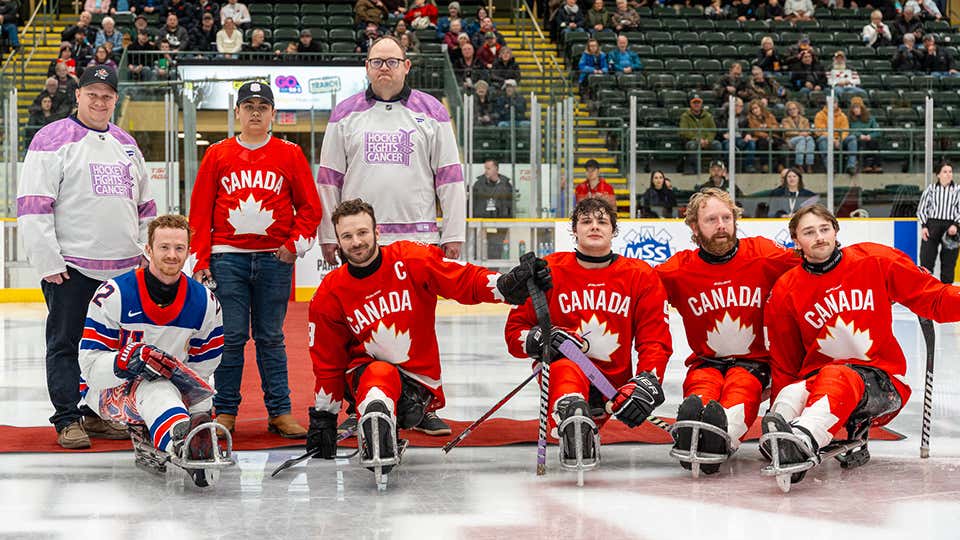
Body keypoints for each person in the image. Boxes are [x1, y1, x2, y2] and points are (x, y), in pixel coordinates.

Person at [305, 199, 550, 471]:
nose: (356, 242)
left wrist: (503, 285)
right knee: (377, 375)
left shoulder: (410, 258)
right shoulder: (329, 293)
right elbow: (327, 361)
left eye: (362, 233)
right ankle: (376, 417)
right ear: (338, 241)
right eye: (347, 236)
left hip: (417, 382)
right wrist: (324, 417)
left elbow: (461, 279)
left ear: (377, 232)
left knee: (394, 390)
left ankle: (380, 417)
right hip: (366, 376)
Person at [317, 36, 466, 436]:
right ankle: (363, 402)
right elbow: (329, 178)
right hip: (360, 241)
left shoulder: (432, 111)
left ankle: (423, 403)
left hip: (418, 237)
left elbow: (450, 176)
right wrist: (329, 235)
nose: (384, 68)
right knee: (359, 327)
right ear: (366, 67)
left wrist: (453, 231)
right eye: (377, 61)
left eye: (392, 61)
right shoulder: (345, 114)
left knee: (418, 328)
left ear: (406, 65)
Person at [762, 204, 960, 486]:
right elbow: (785, 361)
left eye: (824, 229)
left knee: (837, 375)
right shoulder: (786, 288)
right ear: (796, 241)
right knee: (793, 392)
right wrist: (778, 407)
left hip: (882, 381)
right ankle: (778, 438)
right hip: (822, 381)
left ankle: (802, 439)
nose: (819, 237)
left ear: (836, 230)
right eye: (809, 232)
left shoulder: (874, 260)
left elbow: (934, 298)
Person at [17, 65, 155, 449]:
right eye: (92, 94)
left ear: (116, 100)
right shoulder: (51, 138)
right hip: (72, 268)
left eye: (106, 95)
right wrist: (48, 261)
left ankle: (96, 413)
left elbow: (145, 206)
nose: (99, 101)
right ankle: (67, 417)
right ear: (78, 95)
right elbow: (33, 204)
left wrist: (146, 252)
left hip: (123, 270)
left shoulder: (127, 144)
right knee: (66, 343)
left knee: (109, 348)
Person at [189, 81, 322, 438]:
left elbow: (310, 208)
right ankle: (225, 411)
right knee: (231, 337)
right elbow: (199, 211)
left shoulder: (290, 154)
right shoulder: (217, 154)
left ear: (273, 114)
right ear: (237, 112)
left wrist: (293, 246)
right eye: (248, 106)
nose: (255, 113)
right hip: (227, 259)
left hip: (274, 260)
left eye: (263, 107)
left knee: (271, 337)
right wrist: (200, 259)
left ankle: (280, 412)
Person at [505, 197, 673, 468]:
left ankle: (577, 420)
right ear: (575, 230)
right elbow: (515, 332)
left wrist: (646, 381)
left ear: (613, 230)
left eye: (602, 221)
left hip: (613, 388)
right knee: (566, 370)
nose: (594, 226)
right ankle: (568, 410)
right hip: (563, 377)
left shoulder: (640, 275)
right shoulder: (549, 271)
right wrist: (540, 339)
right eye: (586, 221)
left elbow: (654, 340)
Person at [656, 188, 797, 474]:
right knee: (700, 392)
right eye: (711, 220)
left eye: (726, 218)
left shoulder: (763, 254)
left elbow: (814, 266)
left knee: (741, 391)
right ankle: (694, 427)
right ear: (694, 226)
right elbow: (634, 286)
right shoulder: (678, 270)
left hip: (754, 364)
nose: (721, 225)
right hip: (706, 362)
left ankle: (720, 440)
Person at [78, 215, 223, 481]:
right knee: (155, 387)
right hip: (109, 389)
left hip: (173, 389)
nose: (172, 255)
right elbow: (89, 369)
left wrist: (198, 410)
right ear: (148, 249)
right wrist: (124, 362)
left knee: (181, 392)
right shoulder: (114, 294)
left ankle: (191, 438)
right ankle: (182, 443)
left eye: (179, 248)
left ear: (188, 251)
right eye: (164, 247)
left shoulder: (206, 303)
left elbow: (203, 370)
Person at [917, 161, 960, 284]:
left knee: (949, 262)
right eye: (945, 172)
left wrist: (956, 224)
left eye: (950, 172)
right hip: (932, 226)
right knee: (926, 259)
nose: (948, 174)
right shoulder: (931, 189)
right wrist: (924, 226)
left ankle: (946, 291)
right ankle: (926, 289)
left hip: (951, 228)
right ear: (938, 174)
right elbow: (922, 209)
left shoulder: (958, 190)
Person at [471, 158, 514, 258]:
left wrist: (507, 222)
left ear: (496, 169)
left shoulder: (506, 185)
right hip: (481, 224)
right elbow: (474, 204)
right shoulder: (478, 184)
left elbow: (509, 206)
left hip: (500, 224)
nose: (486, 171)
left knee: (496, 250)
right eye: (485, 168)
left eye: (488, 168)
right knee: (479, 251)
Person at [680, 96, 723, 175]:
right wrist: (697, 139)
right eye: (694, 103)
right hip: (693, 140)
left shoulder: (708, 116)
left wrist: (708, 140)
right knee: (692, 146)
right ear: (690, 104)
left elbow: (713, 130)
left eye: (698, 103)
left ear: (701, 104)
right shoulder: (685, 116)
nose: (696, 105)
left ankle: (715, 168)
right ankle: (696, 170)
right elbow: (684, 131)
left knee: (717, 144)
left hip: (707, 141)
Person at [814, 103, 857, 176]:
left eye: (835, 103)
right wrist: (833, 140)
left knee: (852, 138)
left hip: (840, 139)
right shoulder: (820, 115)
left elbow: (845, 130)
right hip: (827, 139)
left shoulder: (843, 116)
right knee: (822, 139)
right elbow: (820, 130)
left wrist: (840, 140)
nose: (833, 105)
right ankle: (830, 167)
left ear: (837, 104)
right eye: (831, 102)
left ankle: (851, 166)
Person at [746, 99, 783, 173]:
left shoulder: (769, 116)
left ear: (761, 107)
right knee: (763, 143)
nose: (755, 111)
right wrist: (766, 135)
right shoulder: (750, 118)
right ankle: (764, 165)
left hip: (773, 136)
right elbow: (755, 131)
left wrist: (767, 127)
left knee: (781, 144)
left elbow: (776, 127)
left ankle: (780, 165)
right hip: (760, 138)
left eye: (756, 108)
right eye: (752, 109)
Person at [848, 97, 881, 174]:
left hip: (869, 138)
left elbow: (877, 131)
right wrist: (859, 135)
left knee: (874, 142)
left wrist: (870, 136)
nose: (855, 110)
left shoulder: (871, 118)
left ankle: (876, 165)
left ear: (862, 108)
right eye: (854, 108)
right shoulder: (849, 119)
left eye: (857, 107)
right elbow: (848, 131)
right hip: (857, 139)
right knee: (861, 143)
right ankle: (866, 165)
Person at [782, 100, 815, 173]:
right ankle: (800, 165)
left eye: (794, 109)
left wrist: (804, 134)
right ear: (788, 112)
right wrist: (800, 134)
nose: (792, 111)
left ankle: (809, 164)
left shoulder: (805, 120)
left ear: (798, 109)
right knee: (802, 139)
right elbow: (788, 132)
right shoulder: (785, 120)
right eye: (790, 110)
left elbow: (808, 131)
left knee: (810, 139)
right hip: (791, 140)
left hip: (804, 140)